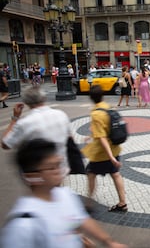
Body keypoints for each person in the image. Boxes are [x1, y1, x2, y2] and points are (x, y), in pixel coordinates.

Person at [0, 139, 128, 248]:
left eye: (59, 164)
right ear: (32, 177)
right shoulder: (22, 225)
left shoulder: (65, 194)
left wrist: (109, 242)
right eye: (52, 167)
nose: (60, 171)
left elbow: (82, 219)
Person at [1, 86, 71, 172]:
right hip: (62, 167)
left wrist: (15, 118)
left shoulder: (25, 123)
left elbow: (5, 144)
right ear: (44, 98)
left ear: (26, 102)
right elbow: (69, 137)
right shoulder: (61, 114)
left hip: (39, 173)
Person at [82, 85, 128, 213]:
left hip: (101, 153)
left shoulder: (96, 114)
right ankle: (122, 202)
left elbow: (102, 137)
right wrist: (91, 136)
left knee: (91, 174)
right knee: (115, 174)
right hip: (115, 148)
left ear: (91, 98)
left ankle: (89, 202)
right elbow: (106, 128)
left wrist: (111, 158)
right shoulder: (108, 107)